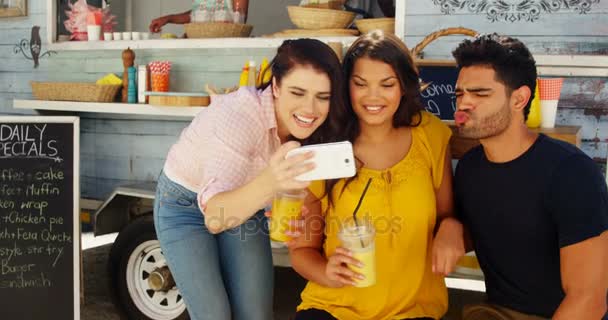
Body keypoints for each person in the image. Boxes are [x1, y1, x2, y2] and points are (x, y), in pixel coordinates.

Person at [153, 38, 345, 320]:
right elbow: (215, 218)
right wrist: (272, 182)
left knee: (255, 314)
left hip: (245, 204)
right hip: (185, 207)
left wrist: (288, 206)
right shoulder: (239, 117)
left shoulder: (317, 126)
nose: (310, 109)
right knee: (214, 314)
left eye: (323, 97)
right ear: (276, 86)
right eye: (298, 92)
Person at [288, 30, 465, 320]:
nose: (373, 96)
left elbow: (446, 218)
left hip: (413, 310)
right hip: (334, 308)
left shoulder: (430, 135)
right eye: (360, 84)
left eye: (387, 84)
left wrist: (452, 227)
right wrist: (327, 272)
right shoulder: (326, 147)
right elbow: (302, 250)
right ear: (346, 87)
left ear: (404, 87)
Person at [452, 33, 608, 320]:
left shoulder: (570, 173)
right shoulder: (470, 167)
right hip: (494, 311)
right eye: (460, 93)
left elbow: (589, 301)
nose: (463, 104)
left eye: (480, 93)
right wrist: (452, 227)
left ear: (519, 98)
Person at [149, 0, 250, 33]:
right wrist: (168, 18)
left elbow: (240, 20)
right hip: (199, 43)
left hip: (227, 44)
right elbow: (196, 14)